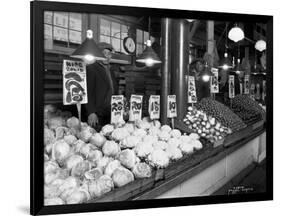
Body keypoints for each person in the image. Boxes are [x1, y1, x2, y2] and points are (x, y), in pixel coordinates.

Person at [83, 42, 118, 130]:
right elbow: (87, 91)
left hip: (110, 111)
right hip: (97, 113)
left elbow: (112, 89)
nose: (107, 56)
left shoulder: (111, 70)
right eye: (104, 53)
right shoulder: (91, 68)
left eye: (109, 54)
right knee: (98, 138)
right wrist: (91, 112)